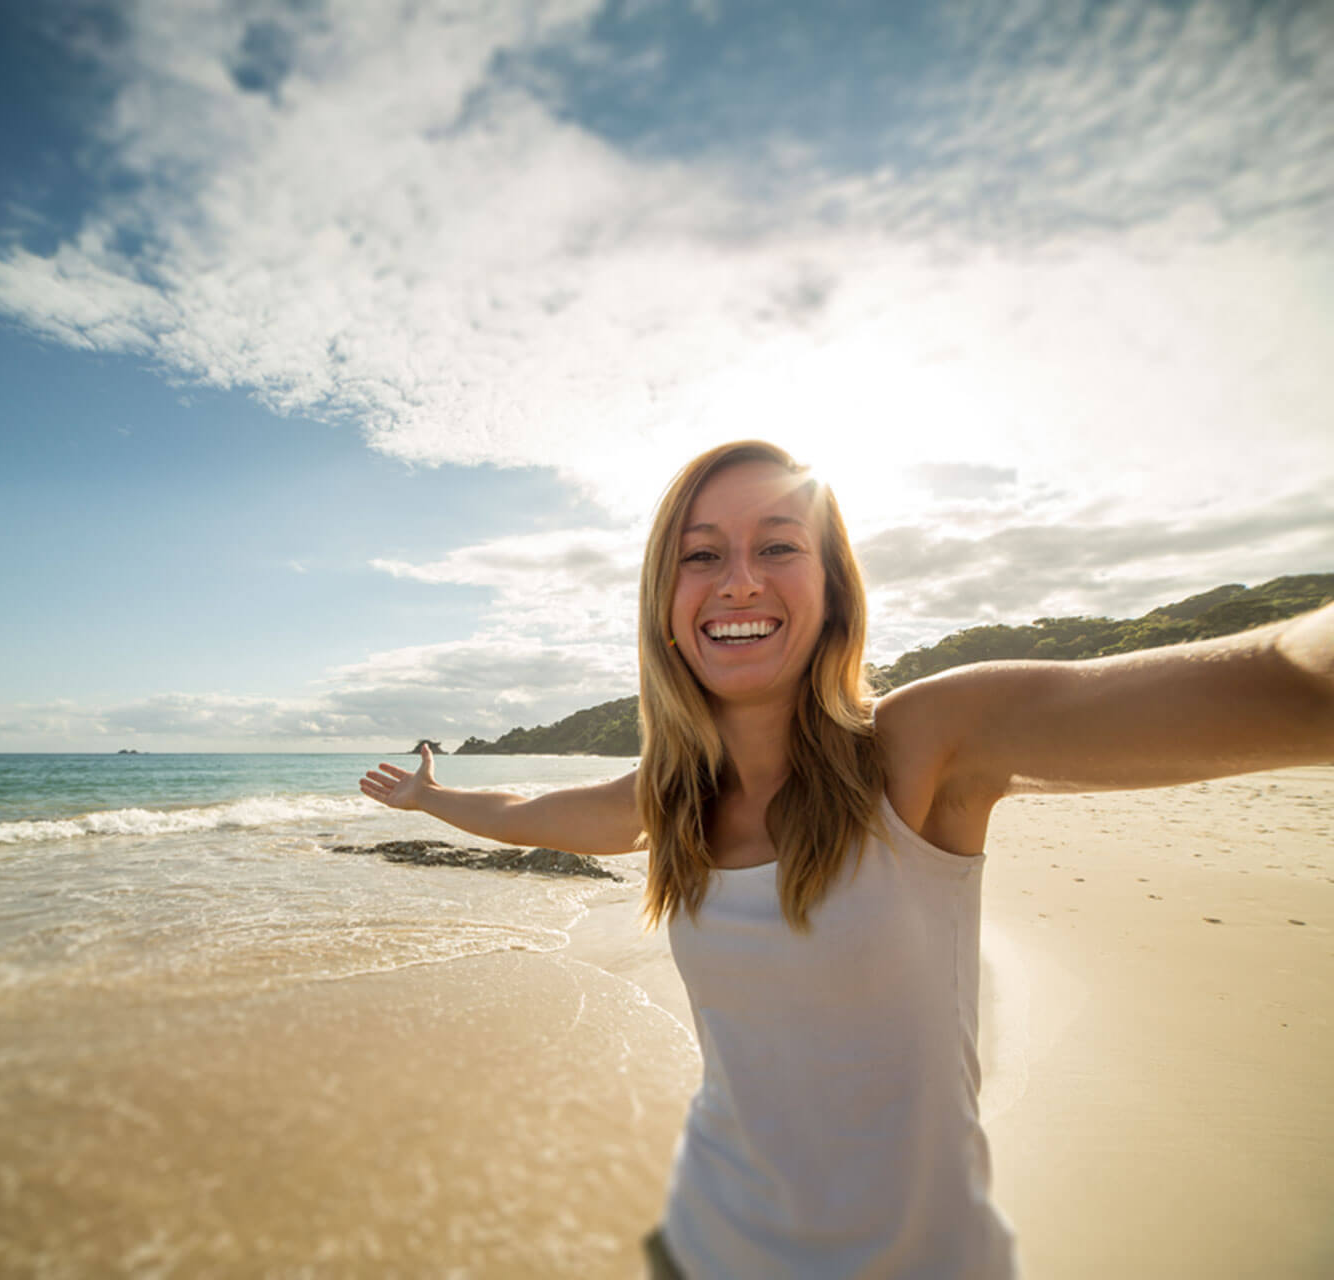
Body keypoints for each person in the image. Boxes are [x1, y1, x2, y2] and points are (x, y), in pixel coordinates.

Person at [358, 440, 1334, 1279]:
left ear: (830, 591)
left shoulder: (923, 743)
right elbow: (535, 805)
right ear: (666, 606)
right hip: (710, 1239)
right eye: (702, 554)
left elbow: (1289, 671)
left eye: (778, 545)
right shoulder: (672, 795)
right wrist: (431, 797)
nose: (739, 577)